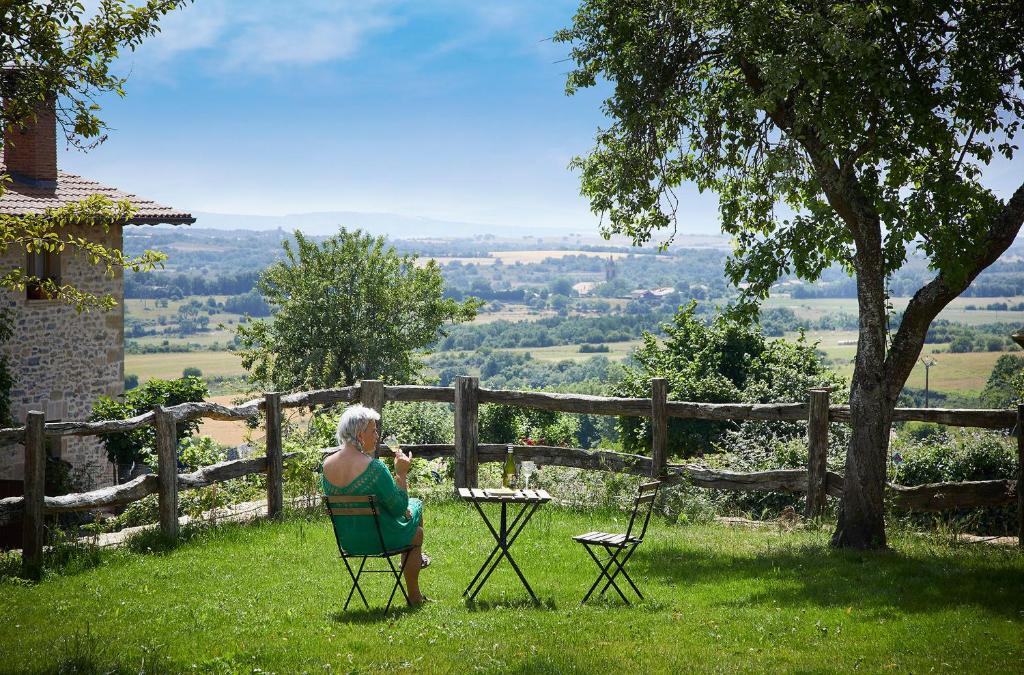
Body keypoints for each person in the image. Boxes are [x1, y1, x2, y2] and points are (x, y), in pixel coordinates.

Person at [321, 404, 427, 604]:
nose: (377, 435)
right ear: (360, 435)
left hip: (350, 542)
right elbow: (397, 508)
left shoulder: (326, 466)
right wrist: (401, 474)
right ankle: (414, 591)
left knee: (409, 512)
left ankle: (415, 555)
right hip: (380, 539)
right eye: (373, 430)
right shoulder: (374, 468)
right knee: (416, 519)